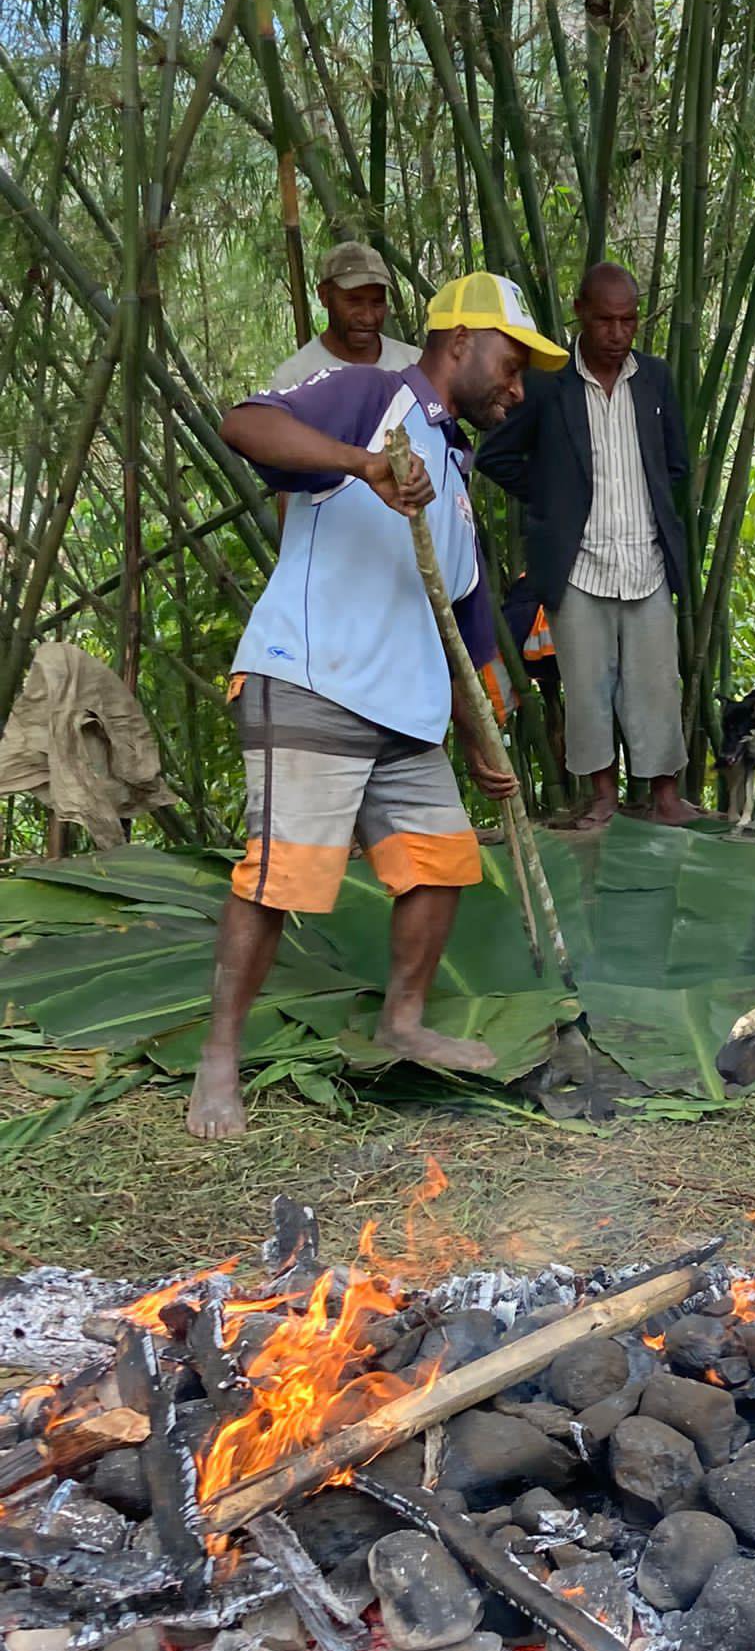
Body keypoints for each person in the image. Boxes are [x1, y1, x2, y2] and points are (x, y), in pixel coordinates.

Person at [187, 273, 569, 1141]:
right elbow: (246, 424)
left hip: (407, 711)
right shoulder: (371, 395)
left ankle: (402, 1019)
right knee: (280, 875)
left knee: (441, 864)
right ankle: (218, 1058)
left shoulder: (458, 476)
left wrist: (483, 739)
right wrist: (363, 462)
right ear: (460, 342)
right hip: (314, 678)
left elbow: (468, 630)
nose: (516, 389)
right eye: (511, 365)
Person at [476, 262, 695, 830]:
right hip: (578, 565)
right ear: (580, 313)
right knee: (587, 684)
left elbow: (674, 462)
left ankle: (664, 795)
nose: (617, 334)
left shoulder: (655, 379)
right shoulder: (548, 383)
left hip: (644, 558)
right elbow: (495, 455)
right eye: (605, 321)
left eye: (628, 321)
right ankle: (601, 797)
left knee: (655, 682)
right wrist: (554, 499)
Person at [268, 241, 420, 390]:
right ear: (324, 296)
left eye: (377, 302)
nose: (368, 317)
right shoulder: (294, 380)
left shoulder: (416, 366)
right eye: (354, 302)